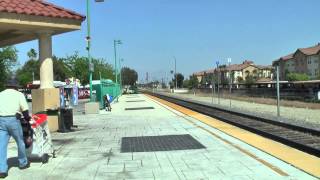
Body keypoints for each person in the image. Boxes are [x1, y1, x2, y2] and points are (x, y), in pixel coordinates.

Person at [0, 87, 31, 178]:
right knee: (20, 141)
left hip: (1, 120)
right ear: (15, 87)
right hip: (14, 120)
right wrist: (27, 119)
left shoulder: (1, 94)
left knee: (1, 145)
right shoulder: (19, 94)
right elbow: (25, 110)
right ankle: (22, 163)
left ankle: (2, 169)